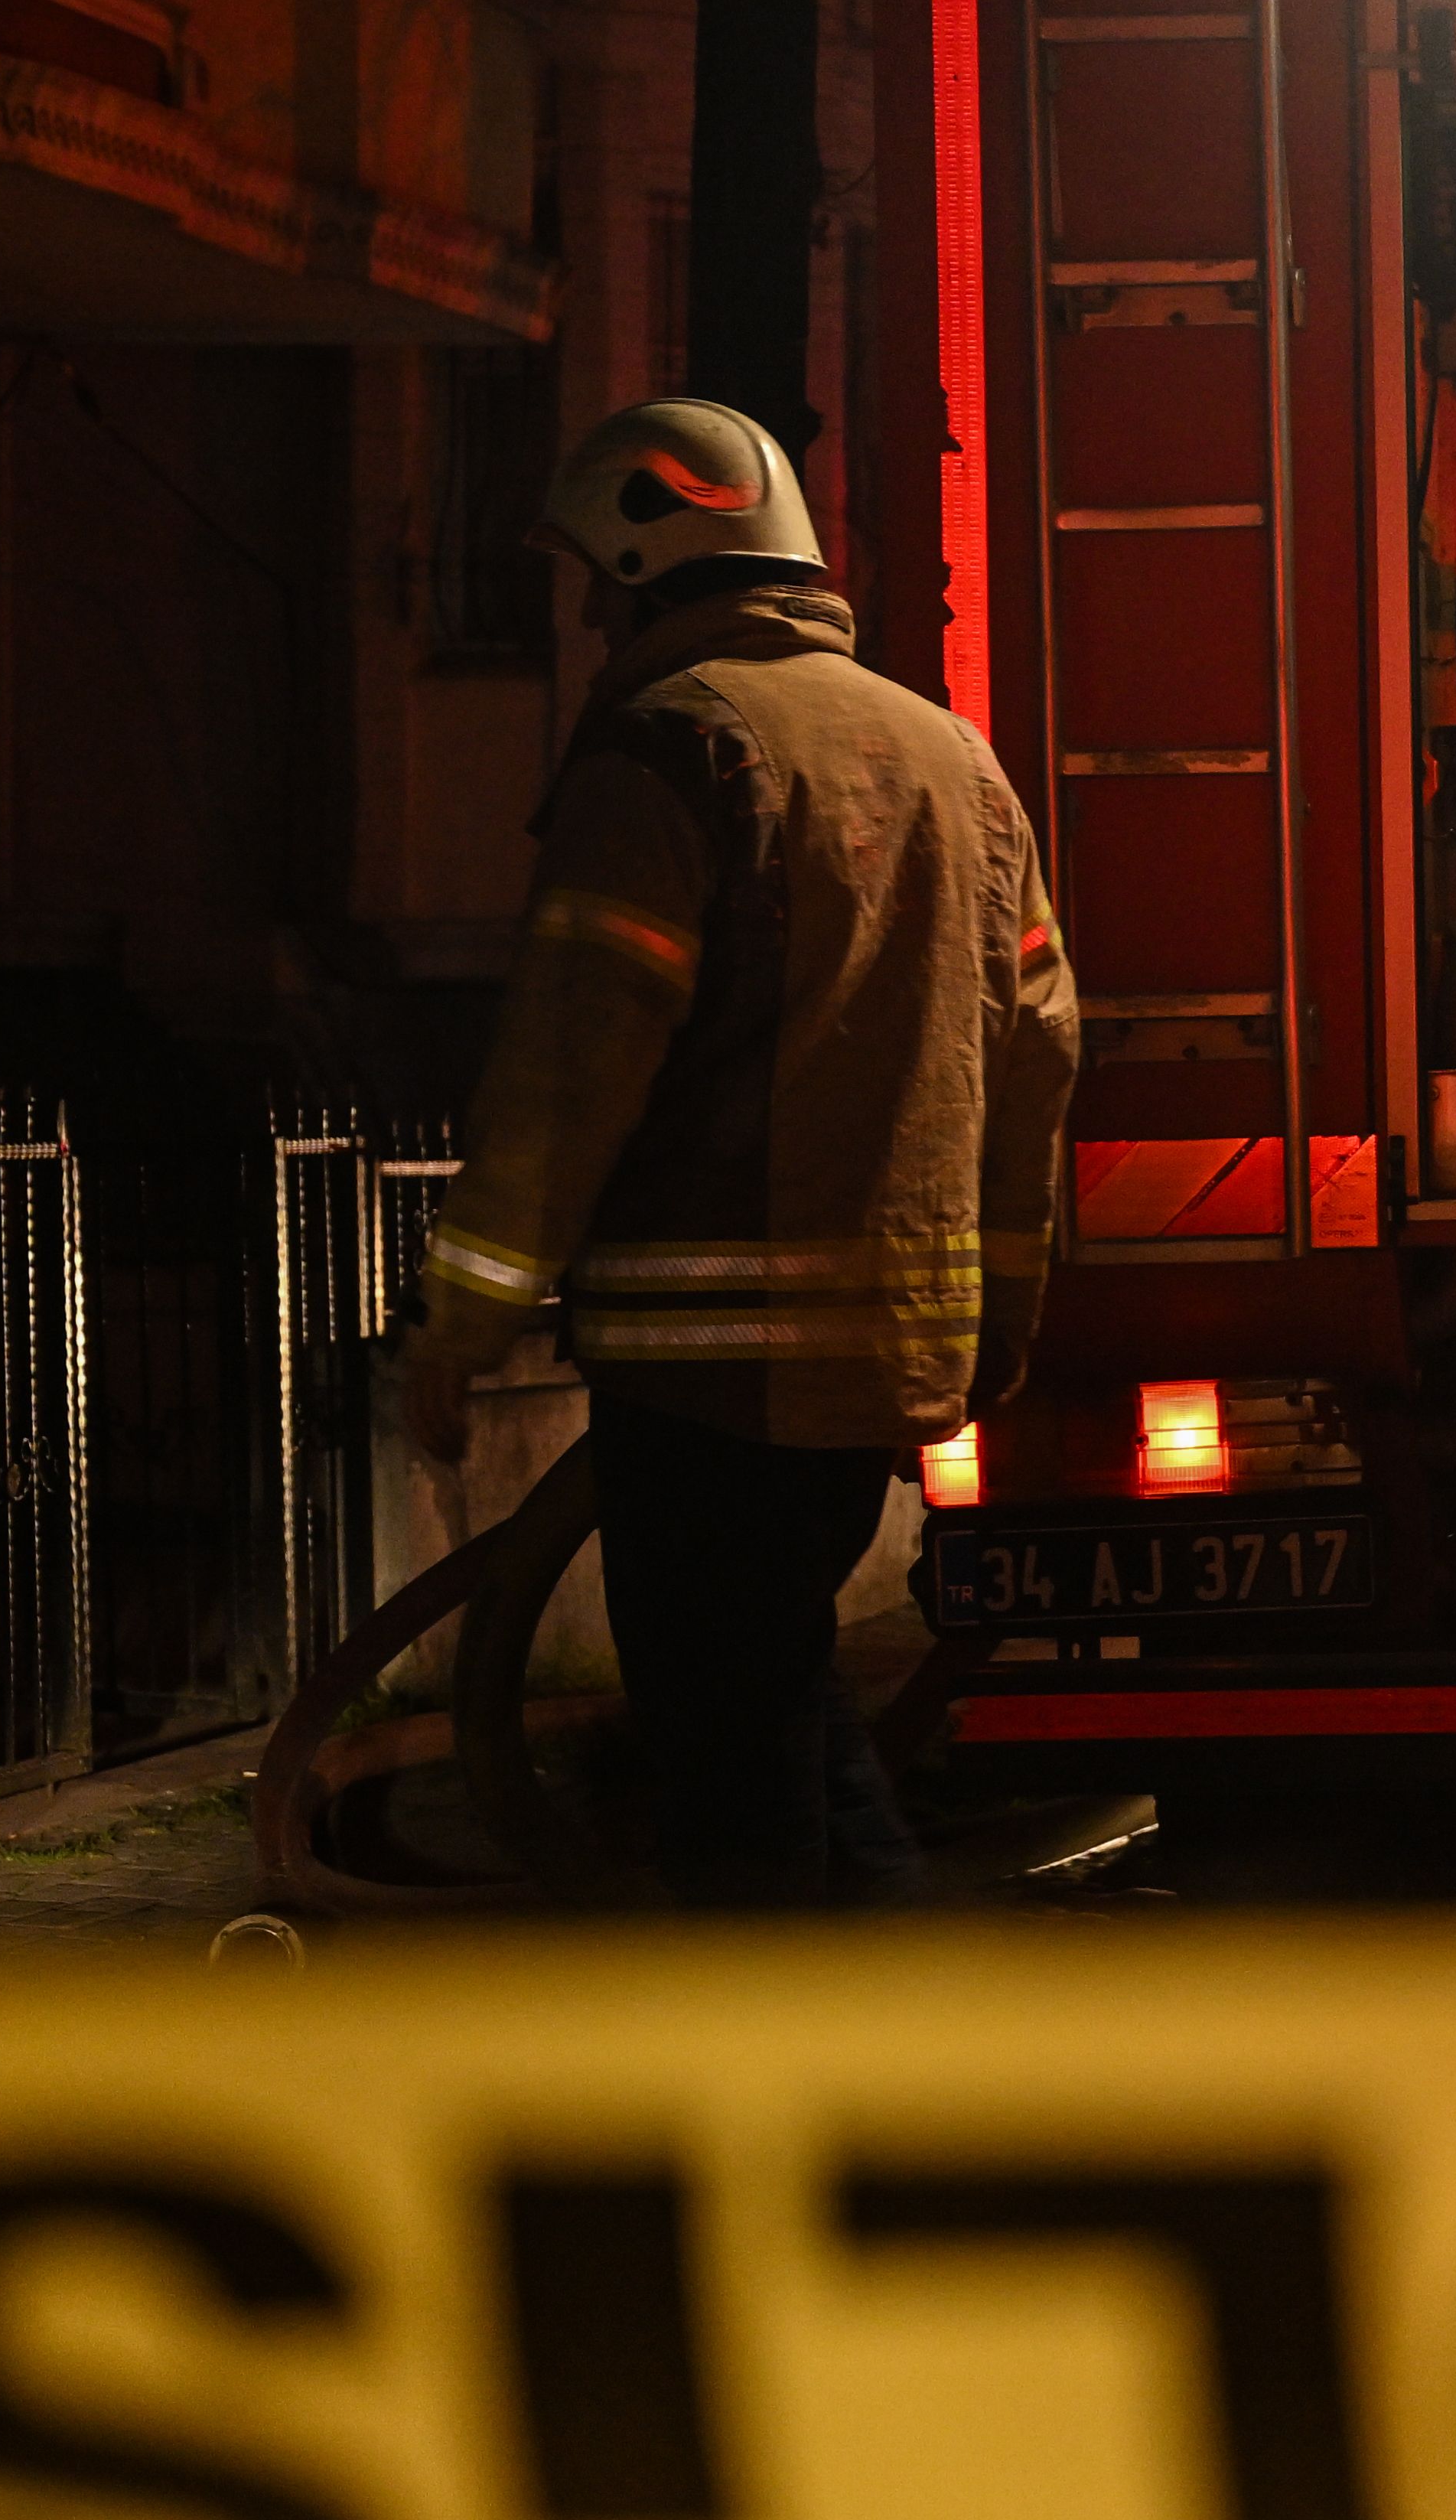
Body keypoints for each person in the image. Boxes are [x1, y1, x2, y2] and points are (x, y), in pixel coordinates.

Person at [401, 397, 1084, 1907]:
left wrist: (463, 1323)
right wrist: (1002, 1317)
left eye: (598, 581)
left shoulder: (670, 748)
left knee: (735, 1783)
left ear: (652, 563)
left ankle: (796, 2081)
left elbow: (570, 1063)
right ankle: (901, 2064)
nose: (587, 616)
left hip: (703, 1390)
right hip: (877, 1376)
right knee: (788, 1711)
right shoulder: (954, 762)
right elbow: (1037, 1050)